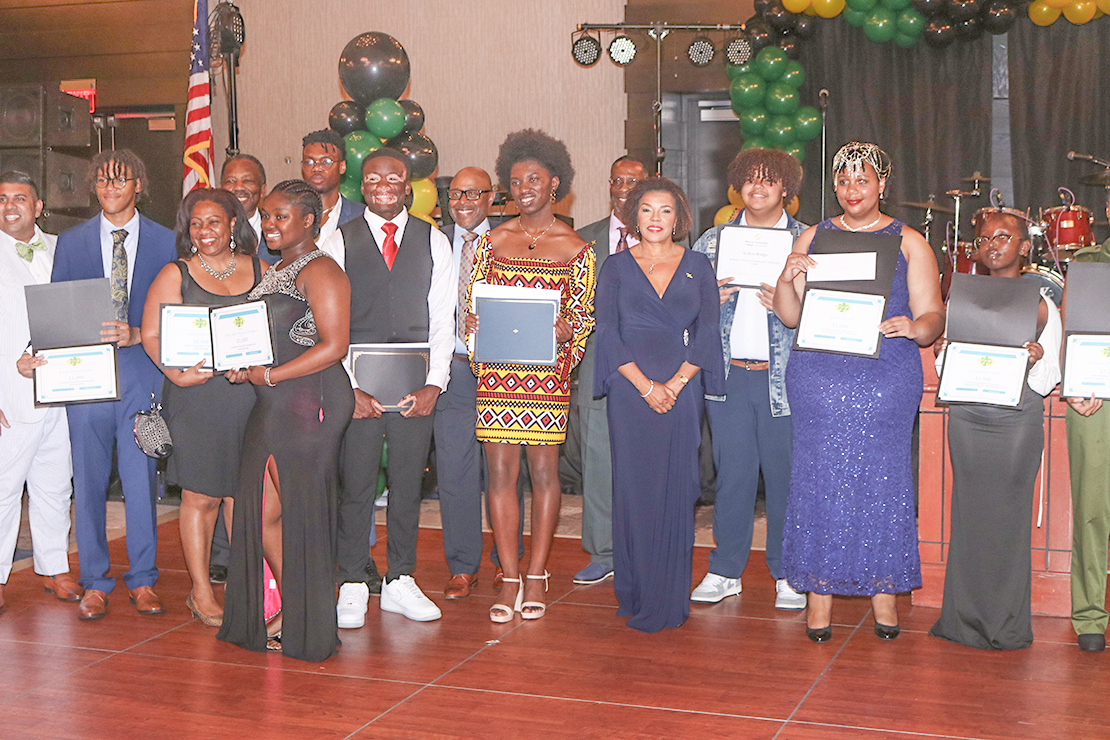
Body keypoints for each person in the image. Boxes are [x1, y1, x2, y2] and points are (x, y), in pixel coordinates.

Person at [772, 142, 944, 642]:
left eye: (863, 181)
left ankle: (884, 597)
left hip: (885, 375)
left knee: (882, 482)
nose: (852, 190)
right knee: (818, 482)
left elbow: (933, 315)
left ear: (882, 184)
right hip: (819, 378)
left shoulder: (909, 241)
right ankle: (817, 599)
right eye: (844, 182)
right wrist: (787, 276)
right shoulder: (813, 235)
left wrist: (913, 327)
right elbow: (789, 314)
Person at [217, 180, 353, 662]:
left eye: (281, 216)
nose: (269, 224)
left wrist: (269, 375)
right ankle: (304, 602)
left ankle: (311, 609)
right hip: (274, 401)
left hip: (310, 401)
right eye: (267, 216)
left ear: (309, 220)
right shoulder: (275, 270)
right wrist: (242, 365)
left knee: (299, 510)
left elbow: (335, 345)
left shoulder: (322, 270)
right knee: (260, 512)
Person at [465, 129, 595, 623]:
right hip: (498, 374)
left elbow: (585, 318)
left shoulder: (577, 247)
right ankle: (511, 575)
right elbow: (474, 309)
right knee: (499, 474)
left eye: (534, 179)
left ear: (555, 182)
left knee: (543, 474)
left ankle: (538, 572)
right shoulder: (492, 242)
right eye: (516, 181)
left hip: (547, 375)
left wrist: (567, 331)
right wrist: (472, 326)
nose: (524, 188)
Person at [323, 148, 454, 627]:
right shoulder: (337, 240)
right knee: (355, 485)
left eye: (393, 176)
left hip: (414, 385)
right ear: (362, 183)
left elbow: (443, 319)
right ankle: (354, 582)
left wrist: (435, 384)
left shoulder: (433, 240)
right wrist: (346, 387)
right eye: (373, 176)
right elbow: (325, 321)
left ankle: (400, 578)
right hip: (358, 385)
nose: (383, 183)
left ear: (407, 183)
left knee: (405, 485)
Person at [592, 176, 723, 633]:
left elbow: (708, 332)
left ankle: (668, 595)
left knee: (678, 488)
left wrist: (676, 383)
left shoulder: (698, 265)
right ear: (634, 217)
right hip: (630, 393)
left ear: (679, 218)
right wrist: (647, 387)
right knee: (633, 489)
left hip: (683, 392)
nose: (655, 219)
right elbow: (606, 331)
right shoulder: (613, 266)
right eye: (646, 209)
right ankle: (635, 591)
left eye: (665, 210)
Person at [50, 150, 176, 621]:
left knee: (141, 479)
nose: (109, 188)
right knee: (87, 479)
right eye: (101, 181)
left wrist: (141, 334)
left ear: (138, 184)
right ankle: (95, 581)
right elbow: (57, 311)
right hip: (85, 375)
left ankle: (143, 581)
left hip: (142, 372)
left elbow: (177, 313)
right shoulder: (71, 242)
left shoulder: (168, 241)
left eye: (119, 180)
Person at [929, 210, 1061, 650]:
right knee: (968, 517)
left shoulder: (1042, 301)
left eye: (1004, 237)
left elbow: (1048, 379)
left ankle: (1007, 627)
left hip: (1015, 423)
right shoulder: (961, 297)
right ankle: (960, 622)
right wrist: (944, 351)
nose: (992, 244)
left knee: (1007, 521)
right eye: (984, 239)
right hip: (968, 419)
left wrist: (1039, 356)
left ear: (1025, 246)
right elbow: (947, 368)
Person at [690, 149, 806, 610]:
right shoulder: (713, 242)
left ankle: (787, 573)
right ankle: (725, 570)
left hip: (787, 380)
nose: (759, 188)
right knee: (733, 477)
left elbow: (826, 317)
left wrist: (790, 301)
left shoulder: (808, 242)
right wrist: (707, 306)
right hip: (730, 378)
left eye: (770, 180)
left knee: (785, 479)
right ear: (738, 185)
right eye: (750, 180)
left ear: (787, 189)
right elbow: (682, 316)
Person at [140, 188, 261, 627]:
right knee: (202, 495)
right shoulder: (177, 272)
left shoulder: (261, 268)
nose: (205, 231)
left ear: (234, 223)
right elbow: (151, 333)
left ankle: (247, 587)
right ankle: (202, 592)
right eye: (196, 223)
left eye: (214, 221)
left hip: (251, 397)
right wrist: (174, 374)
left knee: (244, 495)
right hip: (196, 398)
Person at [1, 171, 81, 611]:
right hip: (9, 395)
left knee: (55, 484)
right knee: (3, 488)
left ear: (38, 207)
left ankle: (54, 567)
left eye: (19, 198)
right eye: (2, 198)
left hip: (64, 387)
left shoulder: (60, 247)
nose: (9, 205)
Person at [571, 155, 646, 586]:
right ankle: (603, 551)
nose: (623, 188)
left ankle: (643, 547)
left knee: (646, 462)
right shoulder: (583, 241)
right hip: (599, 365)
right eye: (616, 180)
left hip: (652, 369)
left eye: (632, 181)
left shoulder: (669, 240)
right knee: (598, 462)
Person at [435, 166, 495, 599]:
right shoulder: (433, 242)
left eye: (474, 193)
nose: (464, 201)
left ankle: (508, 560)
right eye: (456, 193)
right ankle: (462, 565)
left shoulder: (512, 241)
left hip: (504, 372)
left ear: (492, 198)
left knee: (505, 471)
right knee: (454, 468)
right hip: (451, 368)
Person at [1062, 190, 1110, 653]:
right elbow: (1072, 325)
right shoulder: (1089, 262)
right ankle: (1090, 614)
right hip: (1098, 396)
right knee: (1093, 508)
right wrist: (1073, 382)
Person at [300, 129, 361, 247]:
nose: (316, 168)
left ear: (342, 166)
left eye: (326, 161)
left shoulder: (360, 216)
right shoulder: (289, 214)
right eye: (309, 162)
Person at [220, 153, 272, 262]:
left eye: (247, 181)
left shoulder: (278, 229)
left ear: (263, 190)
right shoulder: (208, 232)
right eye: (231, 181)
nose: (239, 187)